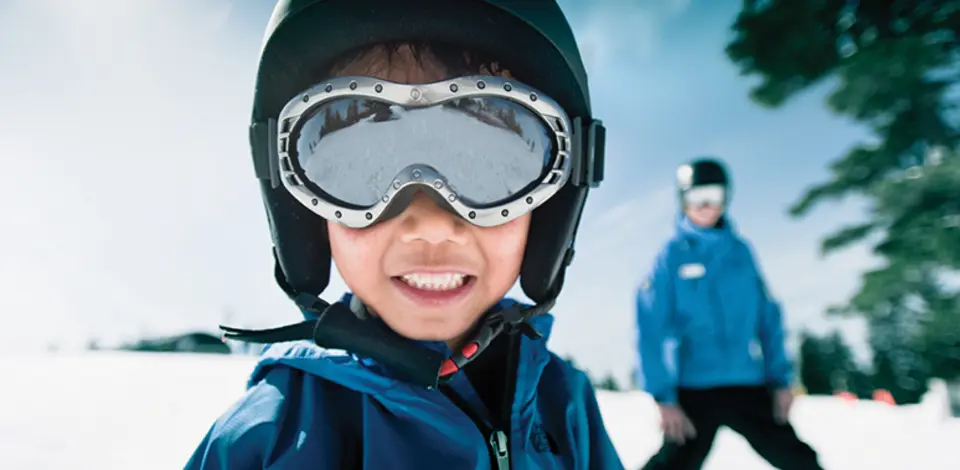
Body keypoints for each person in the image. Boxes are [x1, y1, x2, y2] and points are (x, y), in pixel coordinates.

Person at [185, 1, 623, 469]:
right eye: (359, 164)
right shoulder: (263, 441)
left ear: (556, 194)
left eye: (490, 164)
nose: (429, 223)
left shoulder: (566, 408)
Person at [636, 158, 823, 470]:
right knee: (672, 465)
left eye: (715, 195)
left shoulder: (741, 252)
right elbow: (649, 329)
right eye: (698, 197)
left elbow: (768, 317)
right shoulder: (671, 255)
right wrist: (662, 397)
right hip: (695, 389)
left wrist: (781, 380)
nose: (707, 205)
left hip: (746, 383)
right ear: (683, 199)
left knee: (800, 461)